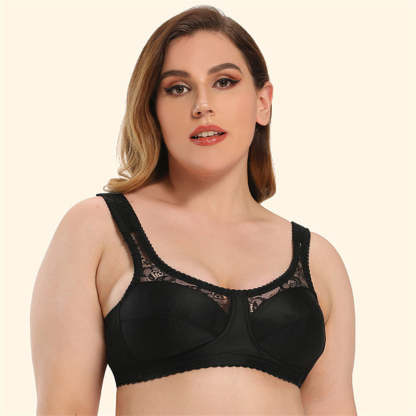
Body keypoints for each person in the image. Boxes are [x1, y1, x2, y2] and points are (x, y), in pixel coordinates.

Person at [30, 5, 357, 415]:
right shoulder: (97, 228)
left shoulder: (318, 259)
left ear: (263, 102)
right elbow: (65, 408)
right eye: (178, 88)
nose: (203, 104)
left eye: (224, 82)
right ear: (153, 109)